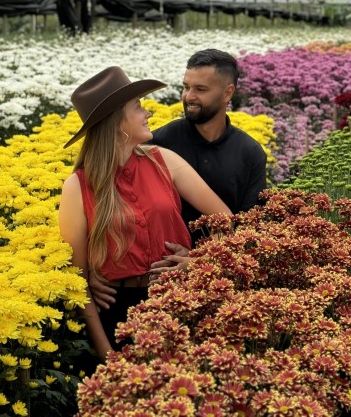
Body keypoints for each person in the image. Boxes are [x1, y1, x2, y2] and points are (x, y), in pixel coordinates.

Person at [58, 66, 231, 361]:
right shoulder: (77, 187)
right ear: (116, 122)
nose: (147, 112)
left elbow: (225, 220)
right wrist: (107, 355)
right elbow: (79, 283)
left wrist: (197, 261)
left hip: (176, 298)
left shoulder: (165, 160)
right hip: (116, 310)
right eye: (137, 106)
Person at [90, 49, 267, 308]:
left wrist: (199, 261)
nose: (188, 97)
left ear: (227, 93)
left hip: (222, 281)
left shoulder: (249, 152)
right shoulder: (158, 144)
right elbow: (111, 206)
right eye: (186, 87)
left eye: (200, 89)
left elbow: (248, 227)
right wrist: (91, 271)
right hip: (158, 279)